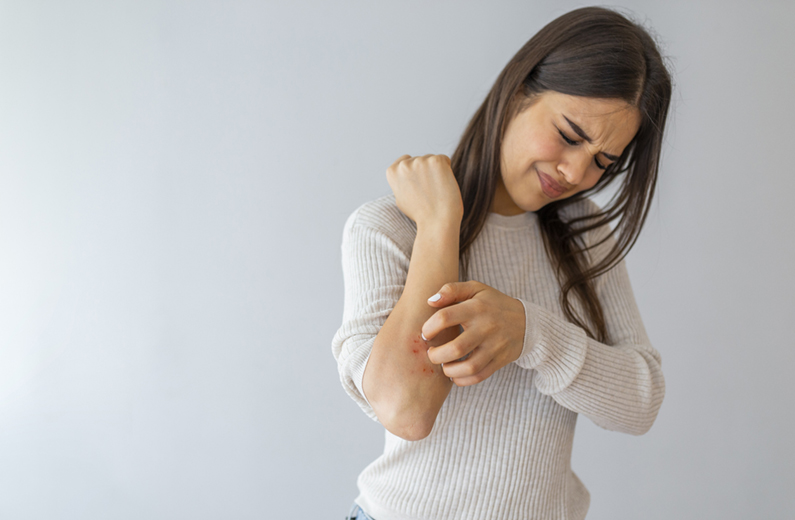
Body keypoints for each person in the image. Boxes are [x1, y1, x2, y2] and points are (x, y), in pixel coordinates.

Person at [331, 6, 672, 520]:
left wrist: (532, 333)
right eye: (570, 135)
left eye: (605, 161)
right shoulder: (389, 228)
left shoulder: (585, 233)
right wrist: (441, 225)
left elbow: (641, 401)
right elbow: (407, 410)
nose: (577, 171)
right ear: (517, 92)